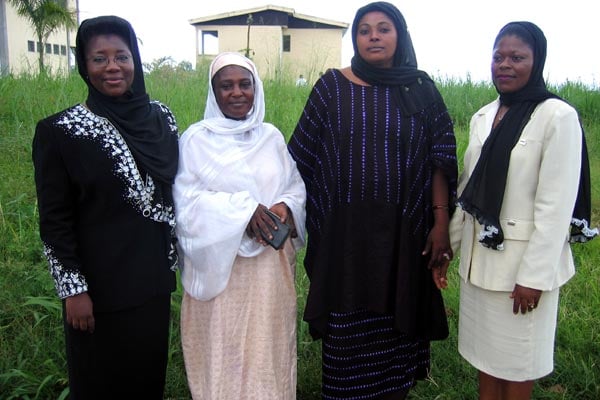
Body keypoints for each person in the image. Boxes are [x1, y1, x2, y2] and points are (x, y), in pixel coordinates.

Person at [287, 2, 457, 399]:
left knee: (397, 320)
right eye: (365, 30)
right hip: (346, 240)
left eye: (383, 28)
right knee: (347, 331)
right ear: (356, 39)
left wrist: (440, 222)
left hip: (404, 236)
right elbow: (301, 158)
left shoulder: (420, 88)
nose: (374, 36)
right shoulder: (331, 87)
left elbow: (440, 159)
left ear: (400, 35)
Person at [447, 21, 598, 400]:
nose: (505, 64)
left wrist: (533, 277)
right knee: (485, 362)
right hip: (479, 266)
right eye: (498, 56)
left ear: (537, 61)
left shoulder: (556, 116)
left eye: (517, 57)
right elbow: (468, 190)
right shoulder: (484, 115)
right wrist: (447, 248)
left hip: (521, 272)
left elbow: (555, 207)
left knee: (517, 367)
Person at [31, 16, 179, 399]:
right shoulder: (60, 131)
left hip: (151, 286)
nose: (113, 67)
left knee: (147, 383)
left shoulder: (161, 119)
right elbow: (54, 221)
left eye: (122, 56)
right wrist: (73, 291)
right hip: (97, 294)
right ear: (84, 65)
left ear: (135, 61)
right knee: (99, 385)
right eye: (99, 59)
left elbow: (177, 193)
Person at [173, 51, 306, 400]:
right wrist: (243, 211)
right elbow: (186, 206)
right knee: (223, 352)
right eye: (226, 85)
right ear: (213, 92)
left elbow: (295, 188)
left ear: (256, 88)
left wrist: (284, 207)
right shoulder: (195, 140)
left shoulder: (272, 137)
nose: (236, 93)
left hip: (268, 274)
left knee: (269, 350)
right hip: (222, 273)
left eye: (244, 84)